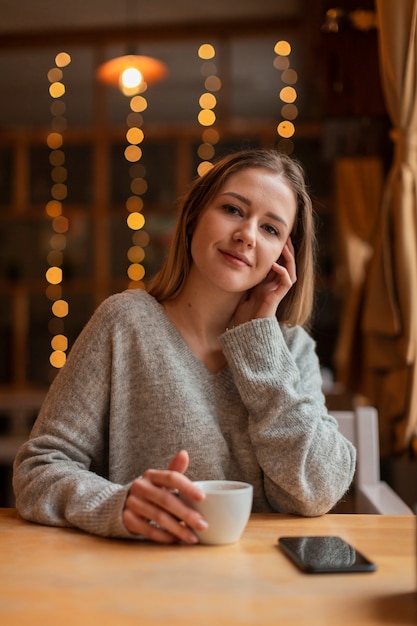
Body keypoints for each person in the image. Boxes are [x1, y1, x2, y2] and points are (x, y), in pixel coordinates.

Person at [13, 148, 356, 543]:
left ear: (284, 256)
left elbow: (319, 490)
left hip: (264, 585)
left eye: (271, 229)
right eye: (232, 209)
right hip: (143, 579)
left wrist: (260, 344)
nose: (246, 235)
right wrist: (116, 504)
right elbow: (37, 471)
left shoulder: (292, 349)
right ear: (194, 217)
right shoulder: (125, 322)